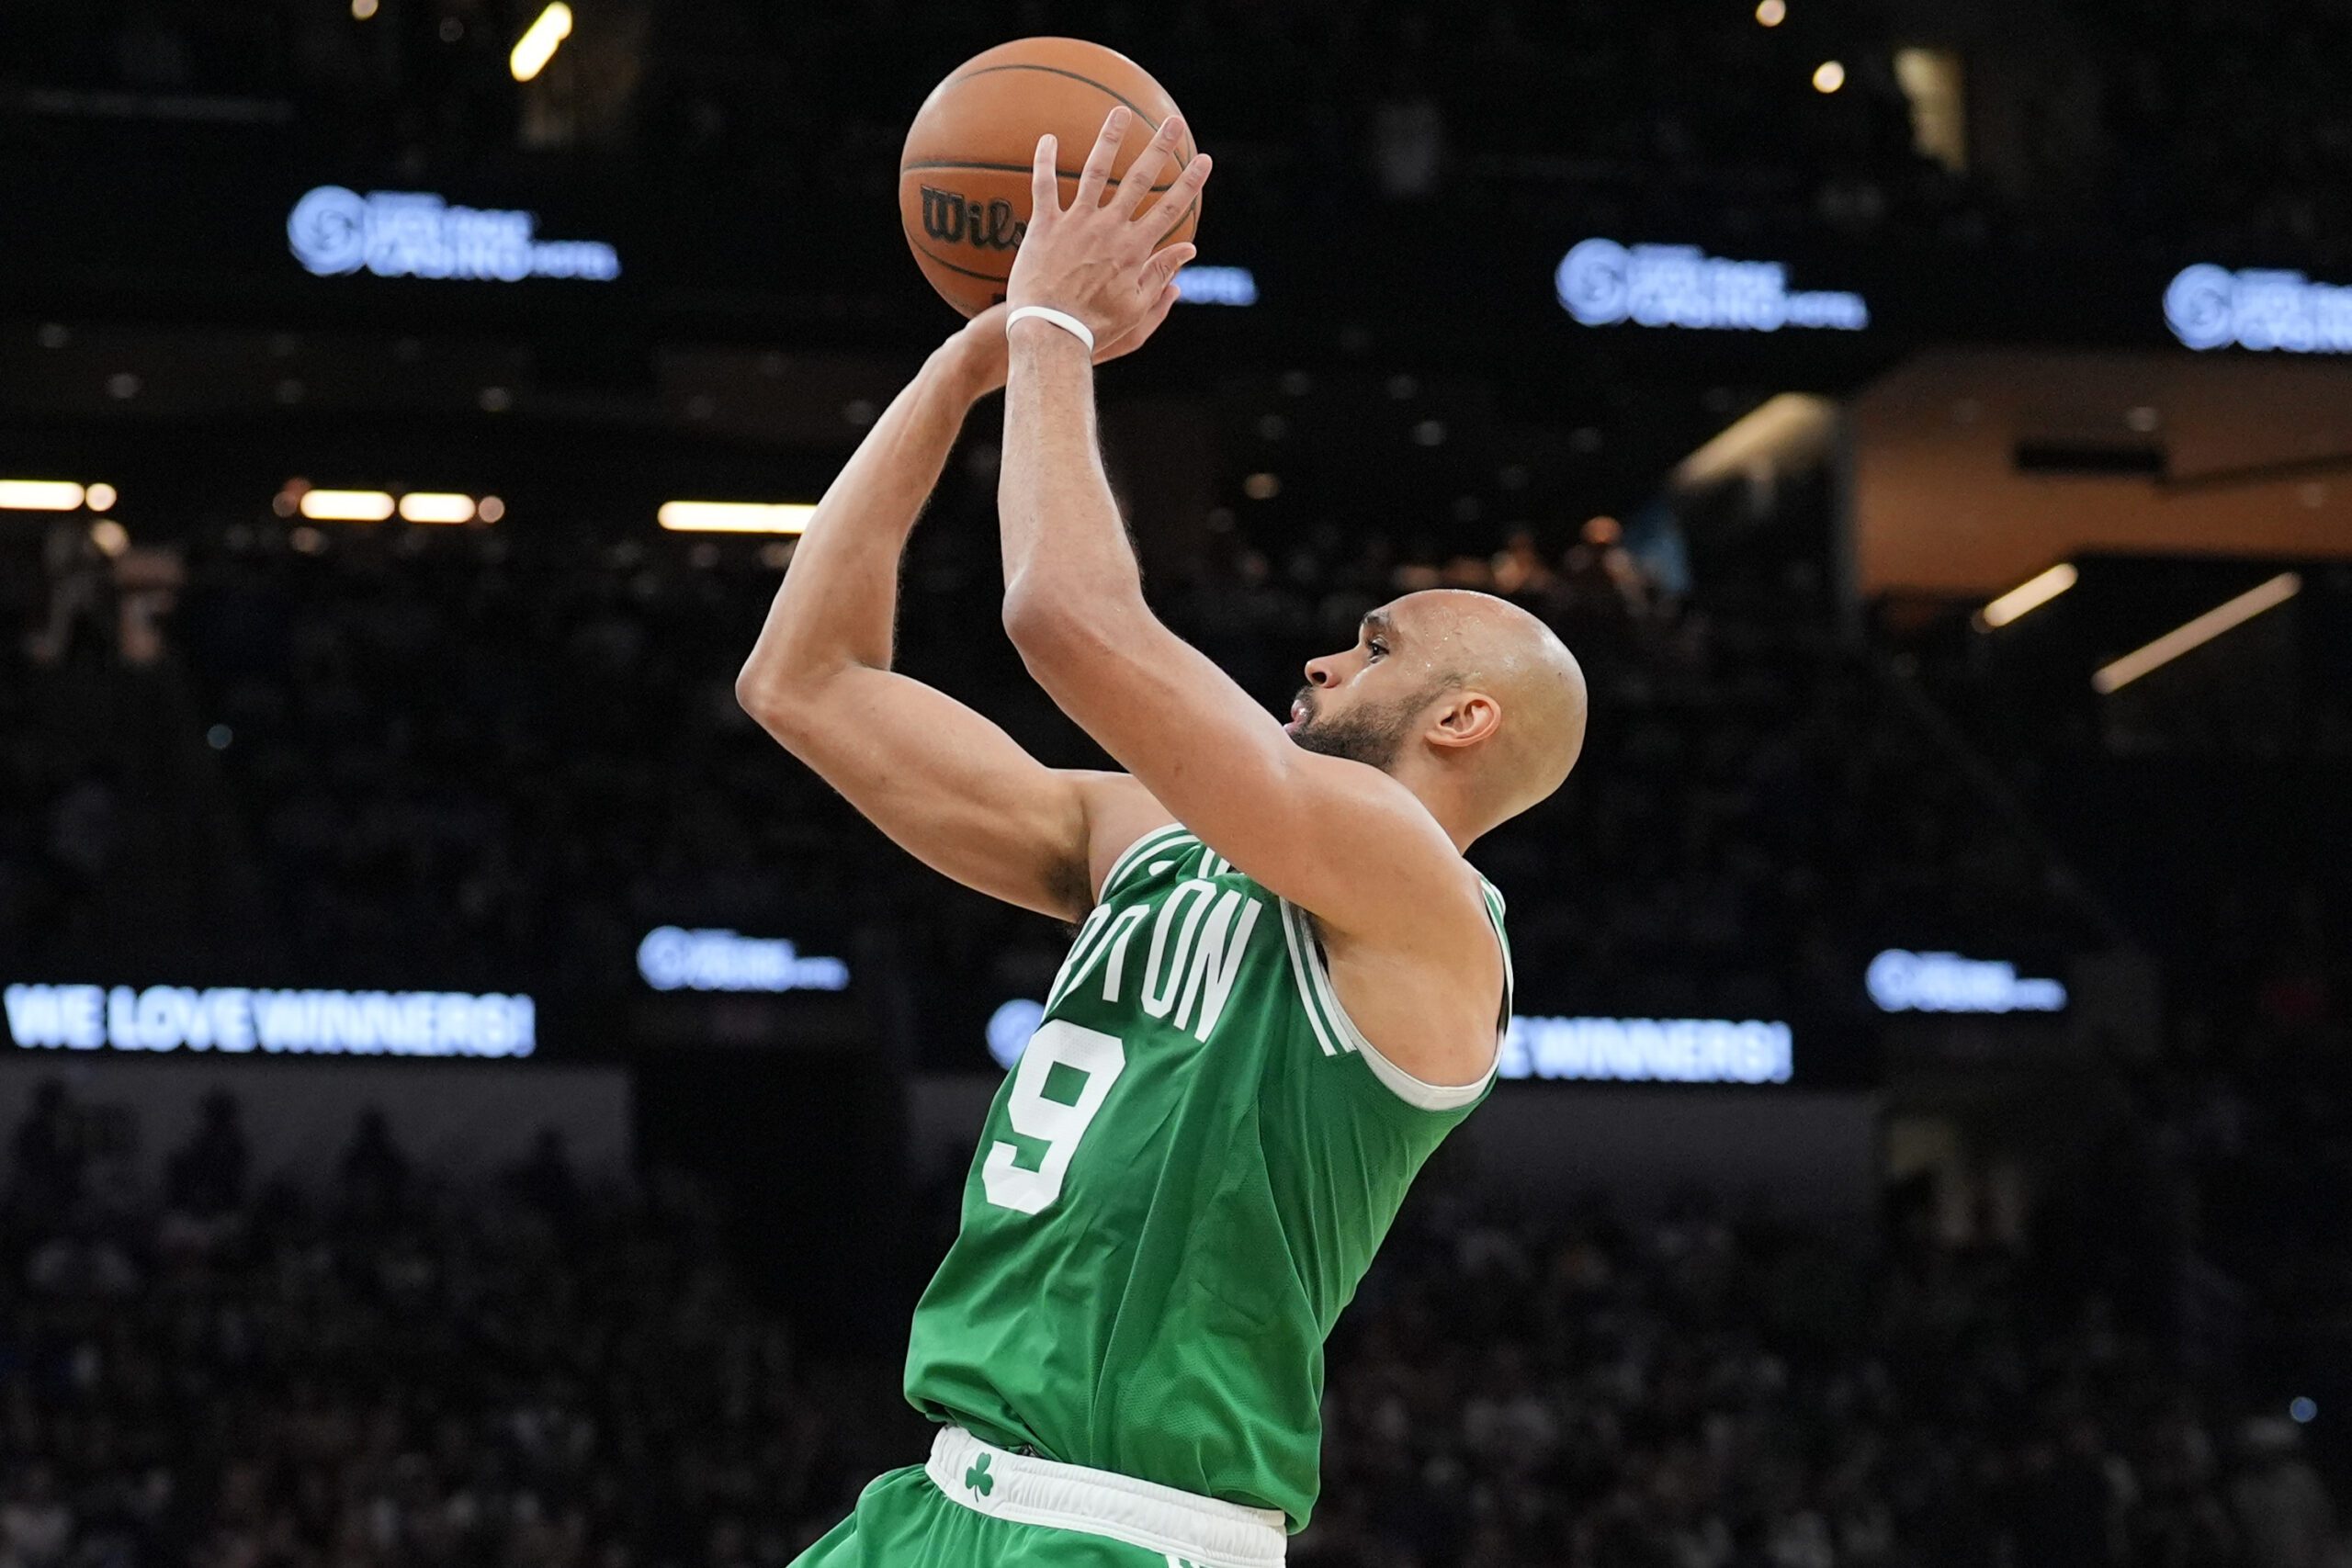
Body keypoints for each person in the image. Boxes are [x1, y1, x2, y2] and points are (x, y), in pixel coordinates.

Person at [739, 107, 1586, 1568]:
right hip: (929, 1503)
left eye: (1372, 649)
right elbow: (806, 682)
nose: (1322, 661)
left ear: (1462, 723)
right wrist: (967, 366)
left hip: (1137, 1536)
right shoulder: (1151, 840)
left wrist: (1055, 328)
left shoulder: (1425, 909)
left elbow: (1065, 617)